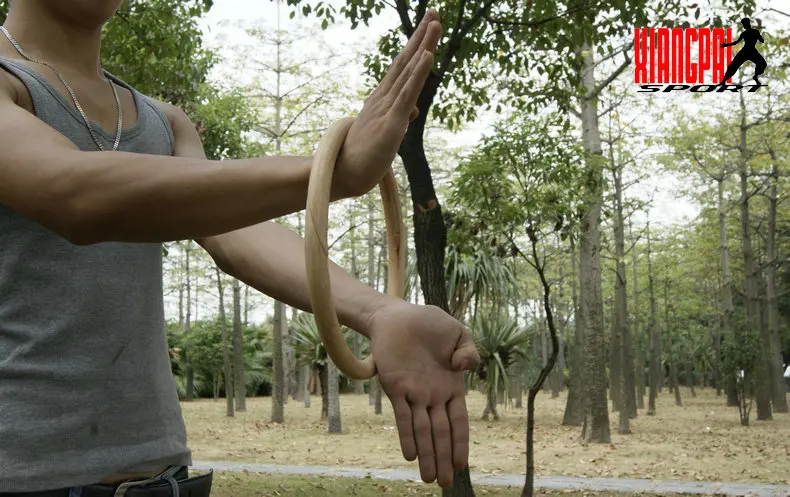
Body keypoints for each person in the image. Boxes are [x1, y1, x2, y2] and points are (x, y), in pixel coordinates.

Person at [0, 1, 481, 496]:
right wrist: (332, 172)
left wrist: (379, 311)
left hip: (163, 479)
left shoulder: (166, 123)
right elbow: (75, 194)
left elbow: (232, 232)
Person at [720, 17, 767, 85]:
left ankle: (755, 76)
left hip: (751, 52)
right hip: (745, 52)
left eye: (744, 24)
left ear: (748, 24)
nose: (744, 26)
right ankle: (724, 80)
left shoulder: (754, 32)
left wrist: (759, 36)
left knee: (763, 64)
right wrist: (726, 45)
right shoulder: (745, 33)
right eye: (743, 25)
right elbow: (736, 42)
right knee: (733, 65)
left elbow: (762, 40)